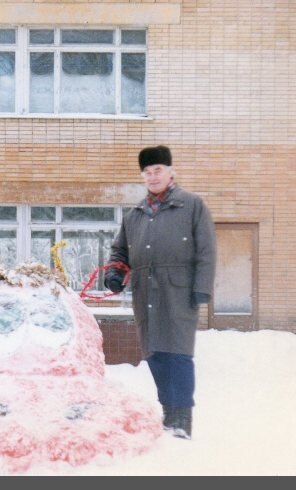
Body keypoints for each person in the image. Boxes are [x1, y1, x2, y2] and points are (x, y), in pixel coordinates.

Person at [104, 145, 216, 440]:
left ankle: (182, 417)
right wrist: (115, 272)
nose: (153, 177)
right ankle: (168, 412)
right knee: (155, 354)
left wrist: (201, 288)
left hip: (179, 290)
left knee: (178, 353)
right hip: (145, 292)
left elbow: (206, 250)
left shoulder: (192, 205)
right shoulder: (135, 215)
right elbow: (120, 251)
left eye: (158, 170)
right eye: (147, 172)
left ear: (170, 172)